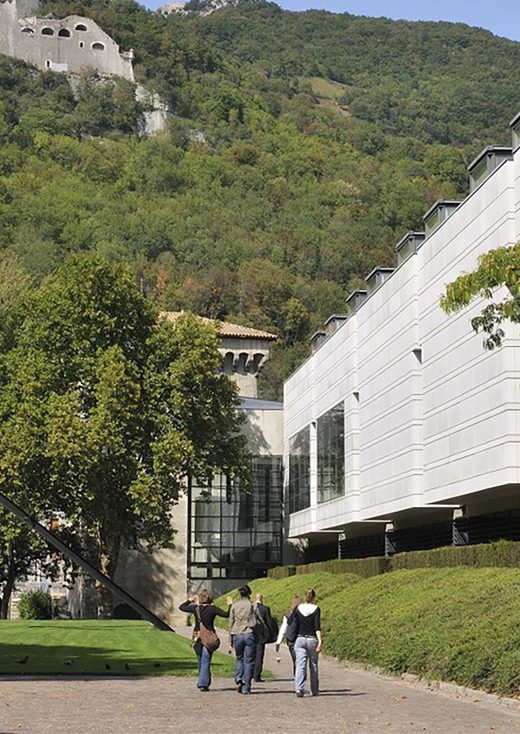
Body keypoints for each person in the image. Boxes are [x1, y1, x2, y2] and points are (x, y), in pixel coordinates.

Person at [179, 590, 233, 692]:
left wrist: (189, 600)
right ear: (210, 599)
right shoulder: (213, 609)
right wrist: (230, 605)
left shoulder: (196, 608)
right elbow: (226, 614)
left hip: (197, 636)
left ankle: (202, 681)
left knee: (200, 660)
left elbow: (181, 607)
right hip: (208, 637)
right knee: (206, 660)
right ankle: (203, 683)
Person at [286, 588, 322, 697]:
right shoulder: (316, 609)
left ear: (304, 596)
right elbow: (317, 627)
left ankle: (299, 688)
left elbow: (289, 621)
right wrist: (320, 642)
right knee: (313, 665)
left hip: (300, 639)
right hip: (312, 639)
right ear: (314, 597)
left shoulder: (298, 608)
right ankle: (314, 690)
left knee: (300, 664)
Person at [229, 585, 257, 694]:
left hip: (237, 633)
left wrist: (230, 639)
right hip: (249, 633)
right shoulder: (251, 605)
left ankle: (239, 677)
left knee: (239, 658)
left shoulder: (235, 606)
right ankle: (246, 686)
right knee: (249, 661)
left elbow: (230, 622)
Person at [275, 595, 300, 674]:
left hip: (291, 638)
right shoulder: (303, 614)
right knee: (300, 658)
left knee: (295, 658)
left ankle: (297, 674)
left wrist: (278, 641)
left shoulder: (287, 615)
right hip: (300, 638)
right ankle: (300, 673)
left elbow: (283, 628)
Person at [252, 592, 274, 682]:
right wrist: (271, 633)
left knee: (250, 654)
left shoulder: (251, 608)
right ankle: (257, 676)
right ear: (262, 599)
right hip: (261, 634)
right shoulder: (265, 609)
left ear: (255, 598)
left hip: (251, 633)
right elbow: (269, 622)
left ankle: (249, 673)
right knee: (259, 655)